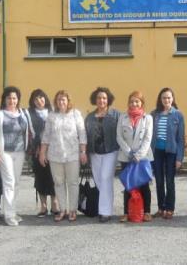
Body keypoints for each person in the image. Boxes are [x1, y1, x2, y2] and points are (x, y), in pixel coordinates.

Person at [39, 90, 87, 222]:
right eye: (59, 99)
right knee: (58, 183)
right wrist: (43, 153)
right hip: (55, 155)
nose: (61, 102)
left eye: (63, 99)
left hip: (72, 155)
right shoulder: (51, 116)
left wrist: (83, 152)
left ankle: (72, 210)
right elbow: (46, 136)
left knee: (72, 183)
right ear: (56, 102)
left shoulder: (76, 115)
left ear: (68, 101)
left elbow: (82, 134)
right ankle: (62, 210)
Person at [0, 86, 34, 226]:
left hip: (20, 152)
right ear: (5, 99)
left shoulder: (23, 113)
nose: (12, 100)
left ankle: (13, 211)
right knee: (9, 182)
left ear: (18, 100)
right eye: (9, 98)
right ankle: (9, 215)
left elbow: (29, 131)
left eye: (14, 98)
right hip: (5, 153)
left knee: (16, 183)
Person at [85, 87, 120, 222]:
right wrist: (85, 153)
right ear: (95, 99)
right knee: (100, 180)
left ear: (108, 100)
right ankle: (105, 207)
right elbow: (86, 135)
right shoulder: (90, 117)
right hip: (95, 152)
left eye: (104, 98)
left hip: (111, 150)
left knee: (105, 178)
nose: (101, 100)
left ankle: (105, 212)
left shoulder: (115, 114)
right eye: (99, 98)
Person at [116, 91, 153, 222]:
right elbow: (119, 136)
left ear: (141, 103)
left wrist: (138, 155)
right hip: (127, 157)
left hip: (143, 157)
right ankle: (127, 212)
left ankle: (147, 212)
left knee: (144, 185)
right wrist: (129, 152)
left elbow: (148, 139)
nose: (134, 104)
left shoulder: (148, 118)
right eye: (131, 101)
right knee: (128, 185)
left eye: (137, 101)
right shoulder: (122, 117)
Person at [150, 87, 185, 220]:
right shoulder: (154, 114)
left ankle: (169, 208)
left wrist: (179, 158)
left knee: (169, 181)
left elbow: (180, 139)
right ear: (160, 99)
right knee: (159, 180)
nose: (166, 100)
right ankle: (161, 208)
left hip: (171, 152)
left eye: (169, 98)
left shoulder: (178, 115)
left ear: (173, 99)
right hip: (156, 152)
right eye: (164, 98)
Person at [28, 89, 58, 217]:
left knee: (54, 177)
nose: (39, 101)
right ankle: (43, 206)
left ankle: (55, 204)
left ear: (45, 99)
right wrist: (36, 148)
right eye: (36, 99)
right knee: (40, 178)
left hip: (54, 150)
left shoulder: (53, 113)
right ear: (33, 102)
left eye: (41, 98)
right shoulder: (29, 114)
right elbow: (29, 133)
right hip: (37, 151)